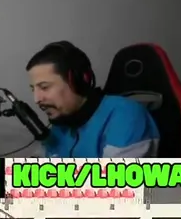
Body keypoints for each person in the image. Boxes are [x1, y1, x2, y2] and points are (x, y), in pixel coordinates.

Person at [27, 41, 159, 158]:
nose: (36, 99)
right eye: (33, 89)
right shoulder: (61, 122)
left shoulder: (126, 115)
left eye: (44, 87)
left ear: (76, 81)